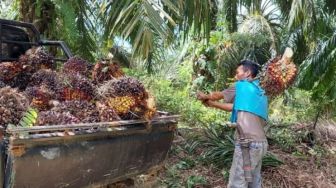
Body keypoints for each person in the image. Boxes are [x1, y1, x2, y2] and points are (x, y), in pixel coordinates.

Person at [197, 60, 268, 188]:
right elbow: (233, 107)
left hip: (247, 144)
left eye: (238, 73)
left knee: (237, 183)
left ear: (247, 73)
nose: (236, 76)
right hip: (261, 144)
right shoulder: (259, 92)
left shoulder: (241, 85)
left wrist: (205, 96)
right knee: (253, 182)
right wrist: (213, 105)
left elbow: (218, 95)